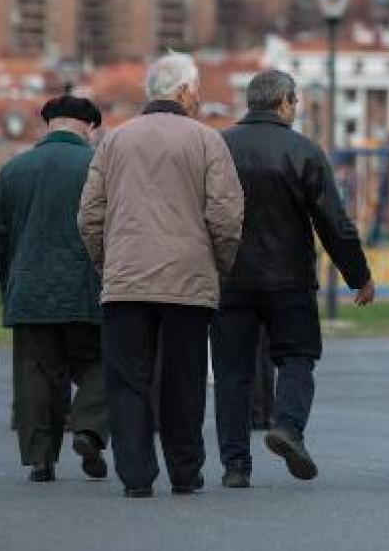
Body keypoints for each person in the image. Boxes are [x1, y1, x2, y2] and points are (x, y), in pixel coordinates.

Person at [78, 53, 244, 498]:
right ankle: (185, 472)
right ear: (186, 92)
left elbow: (90, 215)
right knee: (184, 380)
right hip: (188, 283)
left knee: (127, 380)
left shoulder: (114, 141)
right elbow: (226, 216)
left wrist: (108, 263)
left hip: (126, 280)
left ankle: (136, 475)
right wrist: (219, 265)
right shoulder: (208, 141)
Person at [214, 69, 374, 488]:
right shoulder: (303, 150)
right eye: (296, 102)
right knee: (298, 358)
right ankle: (288, 427)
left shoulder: (217, 147)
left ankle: (234, 466)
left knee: (232, 371)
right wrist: (359, 276)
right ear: (284, 103)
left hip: (229, 277)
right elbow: (333, 222)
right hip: (289, 279)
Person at [0, 94, 109, 483]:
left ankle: (41, 459)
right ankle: (88, 429)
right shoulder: (99, 167)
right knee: (103, 361)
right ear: (88, 128)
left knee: (37, 373)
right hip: (90, 289)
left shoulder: (13, 170)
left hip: (29, 291)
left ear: (49, 125)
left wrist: (10, 280)